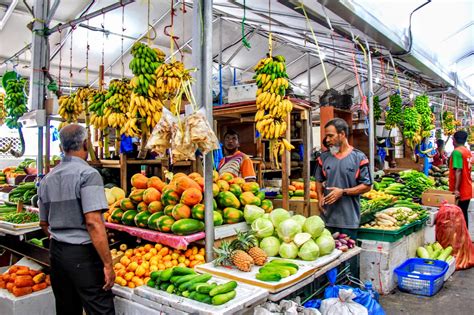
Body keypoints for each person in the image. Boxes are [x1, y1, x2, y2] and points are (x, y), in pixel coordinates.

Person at [38, 124, 115, 315]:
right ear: (86, 144)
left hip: (57, 253)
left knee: (66, 309)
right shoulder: (88, 174)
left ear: (61, 148)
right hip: (83, 254)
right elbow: (93, 222)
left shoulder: (47, 178)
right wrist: (108, 264)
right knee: (100, 308)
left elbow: (43, 223)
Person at [315, 118, 372, 239]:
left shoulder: (359, 157)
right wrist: (320, 196)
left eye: (331, 136)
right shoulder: (324, 157)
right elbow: (319, 179)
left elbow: (367, 186)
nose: (327, 139)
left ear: (342, 134)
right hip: (326, 220)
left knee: (348, 255)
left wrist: (343, 192)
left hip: (349, 221)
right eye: (327, 136)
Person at [449, 130, 472, 227]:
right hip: (467, 188)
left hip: (461, 190)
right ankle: (464, 238)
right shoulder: (466, 151)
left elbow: (458, 170)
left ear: (454, 140)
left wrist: (456, 189)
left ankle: (461, 239)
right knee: (463, 215)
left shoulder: (457, 152)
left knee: (459, 217)